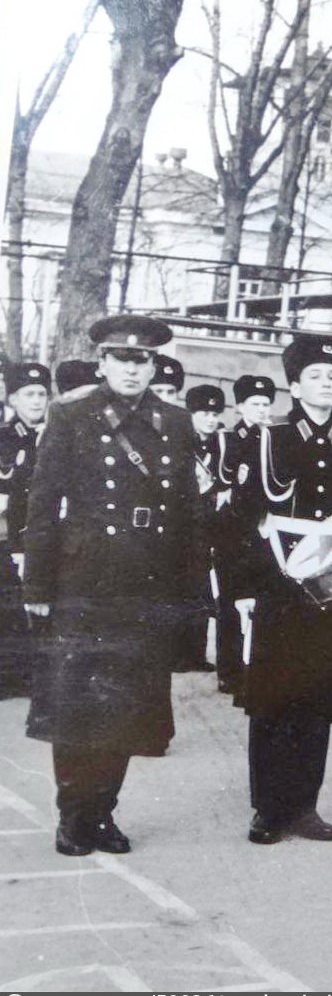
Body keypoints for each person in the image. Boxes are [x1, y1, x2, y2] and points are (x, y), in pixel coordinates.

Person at [23, 314, 207, 855]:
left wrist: (191, 590)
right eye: (122, 359)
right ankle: (72, 815)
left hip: (147, 580)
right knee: (78, 704)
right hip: (83, 579)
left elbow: (188, 512)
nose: (132, 369)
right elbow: (41, 501)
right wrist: (37, 586)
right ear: (102, 363)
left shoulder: (174, 420)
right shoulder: (72, 413)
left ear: (154, 365)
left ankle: (104, 813)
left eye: (142, 360)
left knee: (128, 705)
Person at [231, 333, 332, 844]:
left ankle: (304, 807)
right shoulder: (266, 438)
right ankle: (269, 808)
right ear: (294, 386)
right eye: (315, 375)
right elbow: (244, 517)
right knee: (275, 697)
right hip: (280, 583)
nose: (326, 383)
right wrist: (245, 587)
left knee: (318, 696)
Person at [213, 375, 275, 696]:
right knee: (231, 602)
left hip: (265, 530)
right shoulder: (228, 440)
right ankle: (230, 670)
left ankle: (256, 667)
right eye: (255, 404)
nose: (263, 410)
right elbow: (225, 481)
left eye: (266, 404)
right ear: (240, 407)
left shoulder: (275, 438)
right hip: (234, 531)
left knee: (263, 600)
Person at [0, 361, 50, 699]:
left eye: (42, 394)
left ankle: (41, 676)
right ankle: (10, 677)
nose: (36, 401)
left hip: (46, 535)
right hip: (9, 535)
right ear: (13, 400)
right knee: (9, 607)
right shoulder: (4, 438)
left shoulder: (57, 435)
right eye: (28, 394)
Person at [171, 383, 228, 673]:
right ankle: (176, 653)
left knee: (203, 588)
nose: (210, 419)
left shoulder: (222, 445)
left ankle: (196, 653)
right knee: (180, 587)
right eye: (204, 412)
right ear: (191, 413)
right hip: (181, 525)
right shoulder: (181, 443)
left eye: (215, 413)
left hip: (210, 525)